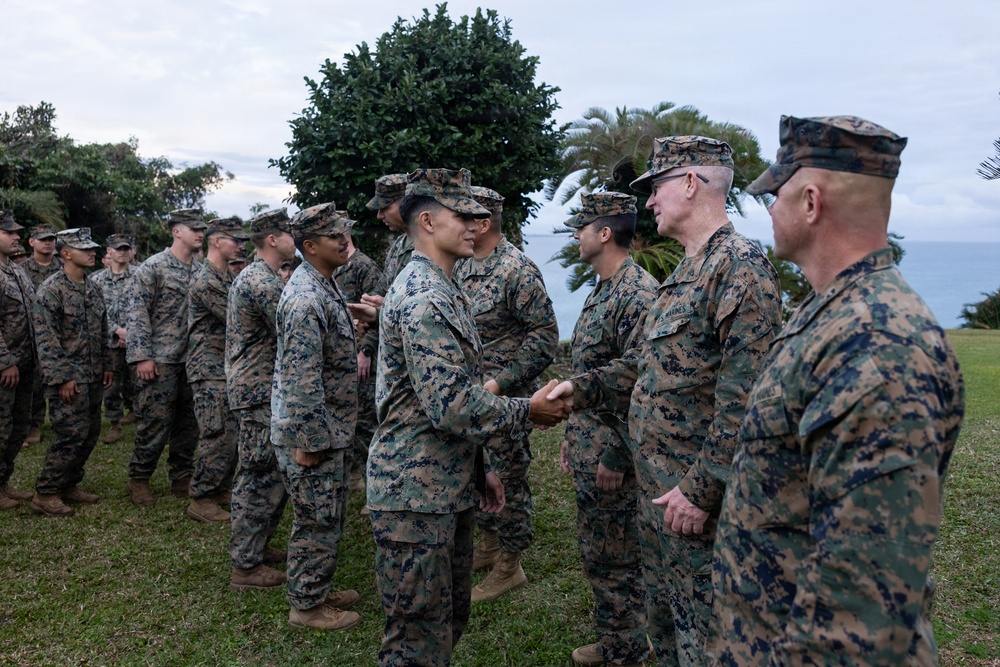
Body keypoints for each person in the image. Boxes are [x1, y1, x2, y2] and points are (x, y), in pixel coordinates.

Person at [708, 115, 966, 666]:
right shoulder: (833, 312)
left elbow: (858, 611)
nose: (768, 208)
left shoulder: (876, 344)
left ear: (810, 202)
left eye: (775, 194)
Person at [547, 136, 782, 666]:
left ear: (691, 183)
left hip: (695, 504)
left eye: (657, 187)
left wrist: (699, 491)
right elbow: (648, 366)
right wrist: (580, 389)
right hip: (659, 496)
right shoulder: (685, 271)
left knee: (707, 640)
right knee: (668, 632)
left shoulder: (739, 266)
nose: (649, 201)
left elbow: (748, 401)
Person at [367, 167, 567, 666]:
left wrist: (479, 470)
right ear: (428, 222)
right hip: (415, 495)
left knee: (446, 623)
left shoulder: (443, 284)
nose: (476, 225)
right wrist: (530, 410)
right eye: (463, 216)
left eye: (480, 217)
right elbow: (454, 405)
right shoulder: (425, 296)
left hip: (442, 484)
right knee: (416, 640)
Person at [558, 193, 658, 667]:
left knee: (618, 558)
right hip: (591, 445)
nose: (575, 236)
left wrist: (616, 454)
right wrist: (572, 436)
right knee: (601, 552)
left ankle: (628, 650)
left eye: (581, 227)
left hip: (614, 453)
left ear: (604, 233)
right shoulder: (605, 286)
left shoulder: (637, 293)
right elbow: (592, 370)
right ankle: (618, 639)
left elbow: (642, 379)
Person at [453, 185, 558, 603]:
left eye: (465, 216)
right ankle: (489, 544)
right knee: (478, 471)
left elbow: (544, 335)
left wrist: (501, 381)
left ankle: (510, 564)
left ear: (482, 223)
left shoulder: (517, 270)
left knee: (508, 478)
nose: (457, 222)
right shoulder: (462, 264)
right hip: (472, 397)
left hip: (504, 399)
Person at [271, 203, 362, 631]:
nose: (345, 241)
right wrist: (309, 441)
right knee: (316, 519)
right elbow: (301, 377)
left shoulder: (323, 284)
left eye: (345, 233)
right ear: (310, 246)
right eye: (335, 237)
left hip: (329, 427)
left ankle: (316, 589)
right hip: (312, 433)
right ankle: (306, 606)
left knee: (328, 514)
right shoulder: (306, 298)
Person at [227, 208, 295, 591]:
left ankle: (257, 547)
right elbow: (292, 325)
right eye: (289, 233)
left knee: (269, 474)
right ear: (273, 239)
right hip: (256, 392)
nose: (295, 239)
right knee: (257, 475)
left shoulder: (263, 276)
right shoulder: (260, 282)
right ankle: (245, 565)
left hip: (261, 389)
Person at [123, 208, 205, 506]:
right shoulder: (153, 267)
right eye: (194, 229)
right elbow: (137, 313)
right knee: (155, 422)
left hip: (193, 360)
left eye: (202, 229)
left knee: (189, 423)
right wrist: (142, 356)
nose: (200, 234)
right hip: (160, 360)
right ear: (177, 231)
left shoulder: (201, 270)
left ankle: (182, 476)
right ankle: (139, 477)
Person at [29, 228, 113, 516]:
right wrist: (63, 377)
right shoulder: (51, 290)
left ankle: (68, 484)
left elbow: (103, 329)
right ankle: (46, 492)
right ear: (65, 253)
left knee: (90, 433)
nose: (92, 252)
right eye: (84, 248)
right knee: (70, 434)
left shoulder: (93, 287)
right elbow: (46, 339)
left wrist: (107, 364)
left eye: (92, 247)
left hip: (93, 374)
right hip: (69, 377)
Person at [185, 216, 248, 523]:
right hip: (208, 368)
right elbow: (239, 319)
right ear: (217, 241)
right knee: (217, 432)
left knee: (230, 433)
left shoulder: (224, 278)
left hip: (224, 367)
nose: (240, 245)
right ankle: (202, 497)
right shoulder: (207, 281)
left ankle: (220, 488)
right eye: (235, 239)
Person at [331, 227, 383, 495]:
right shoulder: (333, 267)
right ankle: (354, 476)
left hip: (362, 357)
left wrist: (366, 351)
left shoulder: (364, 266)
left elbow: (375, 315)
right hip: (341, 357)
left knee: (366, 422)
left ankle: (376, 483)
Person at [0, 210, 37, 510]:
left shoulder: (16, 270)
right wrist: (4, 361)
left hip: (24, 364)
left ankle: (3, 481)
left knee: (18, 426)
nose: (17, 237)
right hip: (5, 367)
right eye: (9, 232)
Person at [90, 234, 138, 445]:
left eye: (126, 248)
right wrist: (117, 331)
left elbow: (146, 307)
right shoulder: (97, 280)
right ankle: (115, 424)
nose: (123, 252)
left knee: (141, 384)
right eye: (119, 249)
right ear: (109, 251)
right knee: (111, 385)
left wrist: (131, 332)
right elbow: (95, 313)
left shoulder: (141, 275)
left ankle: (142, 419)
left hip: (137, 341)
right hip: (110, 342)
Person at [21, 223, 62, 448]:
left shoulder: (64, 267)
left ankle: (62, 422)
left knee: (60, 377)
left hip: (59, 333)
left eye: (51, 239)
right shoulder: (21, 270)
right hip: (30, 334)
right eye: (43, 239)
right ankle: (33, 424)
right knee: (34, 381)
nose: (48, 243)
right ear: (31, 242)